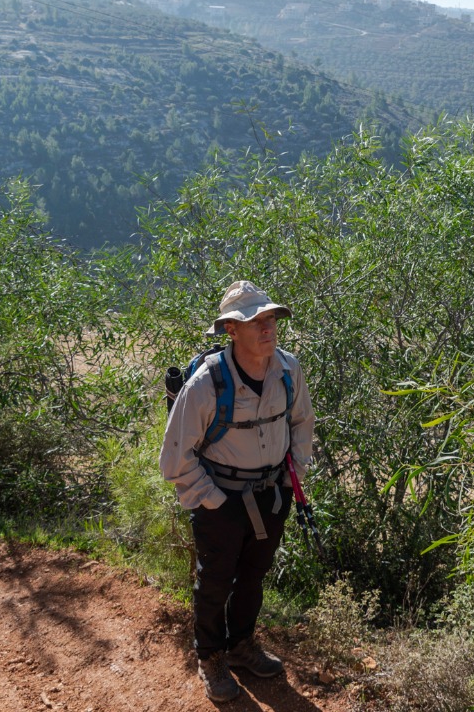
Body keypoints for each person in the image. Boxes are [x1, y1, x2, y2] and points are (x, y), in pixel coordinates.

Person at [160, 280, 315, 703]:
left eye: (270, 319)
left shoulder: (289, 370)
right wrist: (213, 500)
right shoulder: (208, 384)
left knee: (253, 576)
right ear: (231, 330)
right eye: (255, 322)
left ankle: (241, 645)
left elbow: (301, 423)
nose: (267, 329)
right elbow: (174, 459)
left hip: (273, 494)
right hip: (220, 498)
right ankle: (210, 657)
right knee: (214, 582)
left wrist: (291, 475)